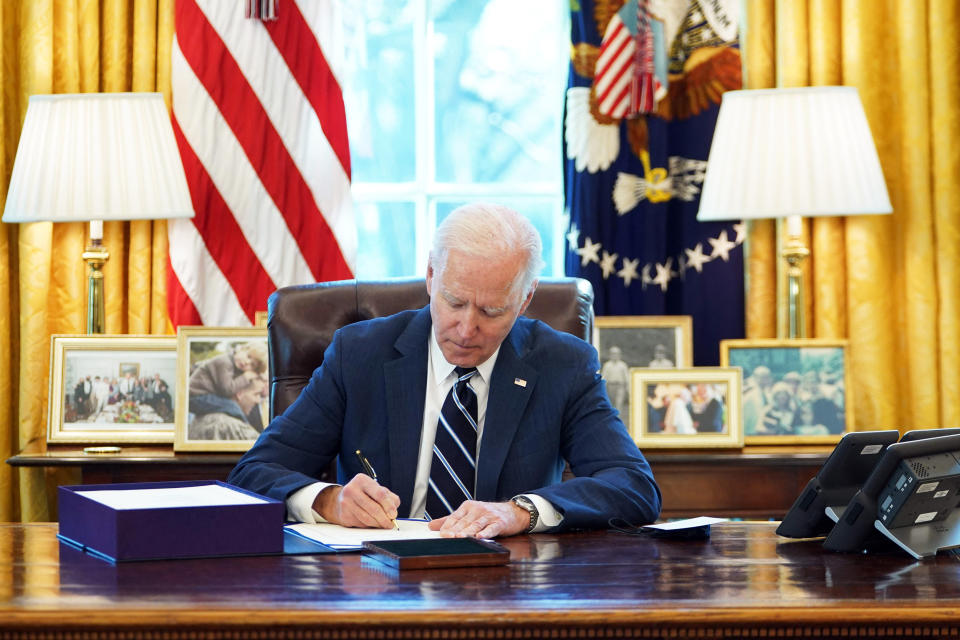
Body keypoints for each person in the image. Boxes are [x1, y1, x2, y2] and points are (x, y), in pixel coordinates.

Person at [228, 203, 661, 539]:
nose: (466, 328)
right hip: (377, 585)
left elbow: (633, 485)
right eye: (454, 301)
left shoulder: (562, 364)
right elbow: (254, 473)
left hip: (508, 588)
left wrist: (520, 511)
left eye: (492, 311)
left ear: (525, 298)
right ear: (432, 276)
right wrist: (329, 500)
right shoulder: (359, 353)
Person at [600, 346, 630, 420]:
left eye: (616, 354)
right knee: (611, 404)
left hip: (620, 386)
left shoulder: (623, 365)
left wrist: (628, 389)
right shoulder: (607, 365)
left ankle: (618, 421)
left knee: (619, 404)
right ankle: (611, 421)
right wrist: (602, 388)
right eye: (613, 354)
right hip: (610, 386)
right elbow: (604, 377)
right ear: (610, 355)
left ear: (619, 355)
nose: (615, 356)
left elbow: (627, 377)